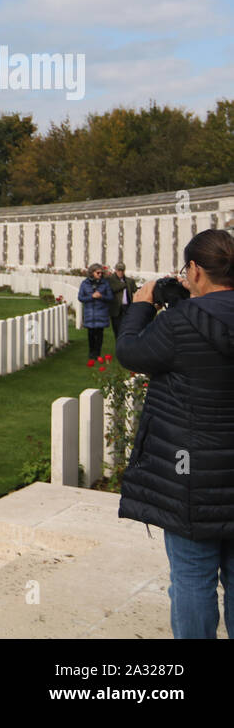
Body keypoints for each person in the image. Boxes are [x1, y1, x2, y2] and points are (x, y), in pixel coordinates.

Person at [116, 229, 234, 638]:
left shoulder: (181, 321)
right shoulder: (188, 315)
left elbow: (131, 352)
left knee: (192, 578)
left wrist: (143, 304)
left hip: (192, 476)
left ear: (196, 270)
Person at [77, 263, 113, 359]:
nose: (100, 274)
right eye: (98, 273)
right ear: (92, 273)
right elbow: (80, 297)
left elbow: (110, 297)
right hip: (90, 313)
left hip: (101, 313)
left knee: (99, 334)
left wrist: (101, 296)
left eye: (101, 273)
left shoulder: (105, 283)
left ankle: (97, 353)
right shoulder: (85, 284)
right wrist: (91, 296)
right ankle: (91, 352)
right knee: (91, 334)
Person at [107, 262, 138, 338]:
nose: (120, 272)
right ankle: (119, 347)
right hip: (116, 309)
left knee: (127, 330)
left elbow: (135, 290)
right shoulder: (110, 280)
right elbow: (113, 288)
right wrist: (124, 284)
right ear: (116, 270)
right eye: (119, 270)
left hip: (127, 308)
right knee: (117, 330)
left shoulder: (129, 281)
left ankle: (125, 347)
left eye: (122, 270)